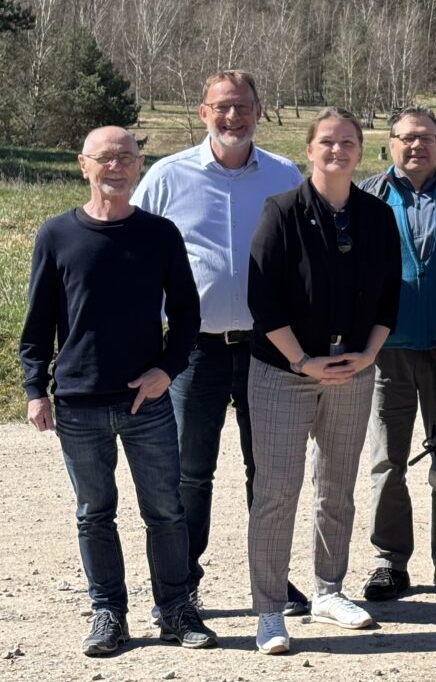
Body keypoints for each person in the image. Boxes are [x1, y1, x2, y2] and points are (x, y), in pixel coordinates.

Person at [21, 126, 215, 656]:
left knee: (166, 511)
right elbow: (37, 323)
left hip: (145, 402)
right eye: (105, 158)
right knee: (94, 512)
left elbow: (188, 316)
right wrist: (36, 387)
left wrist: (165, 372)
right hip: (80, 402)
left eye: (126, 157)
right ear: (84, 165)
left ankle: (176, 609)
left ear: (138, 166)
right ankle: (109, 614)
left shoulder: (160, 233)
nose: (116, 167)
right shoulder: (57, 234)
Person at [132, 69, 308, 619]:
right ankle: (181, 585)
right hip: (194, 349)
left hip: (269, 346)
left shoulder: (284, 175)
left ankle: (272, 582)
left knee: (271, 470)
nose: (234, 117)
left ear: (259, 109)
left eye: (243, 107)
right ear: (203, 111)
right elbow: (139, 254)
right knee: (190, 471)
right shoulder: (167, 176)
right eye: (222, 107)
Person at [246, 108, 401, 655]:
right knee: (276, 492)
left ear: (362, 152)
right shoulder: (281, 210)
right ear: (309, 150)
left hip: (353, 371)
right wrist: (302, 361)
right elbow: (261, 299)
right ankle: (269, 610)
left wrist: (366, 357)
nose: (338, 151)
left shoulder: (378, 216)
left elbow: (389, 298)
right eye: (327, 143)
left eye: (348, 143)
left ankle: (329, 591)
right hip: (284, 371)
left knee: (337, 487)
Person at [356, 106, 436, 602]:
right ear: (389, 144)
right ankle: (390, 560)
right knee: (386, 459)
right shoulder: (369, 194)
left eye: (426, 137)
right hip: (385, 351)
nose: (417, 147)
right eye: (407, 138)